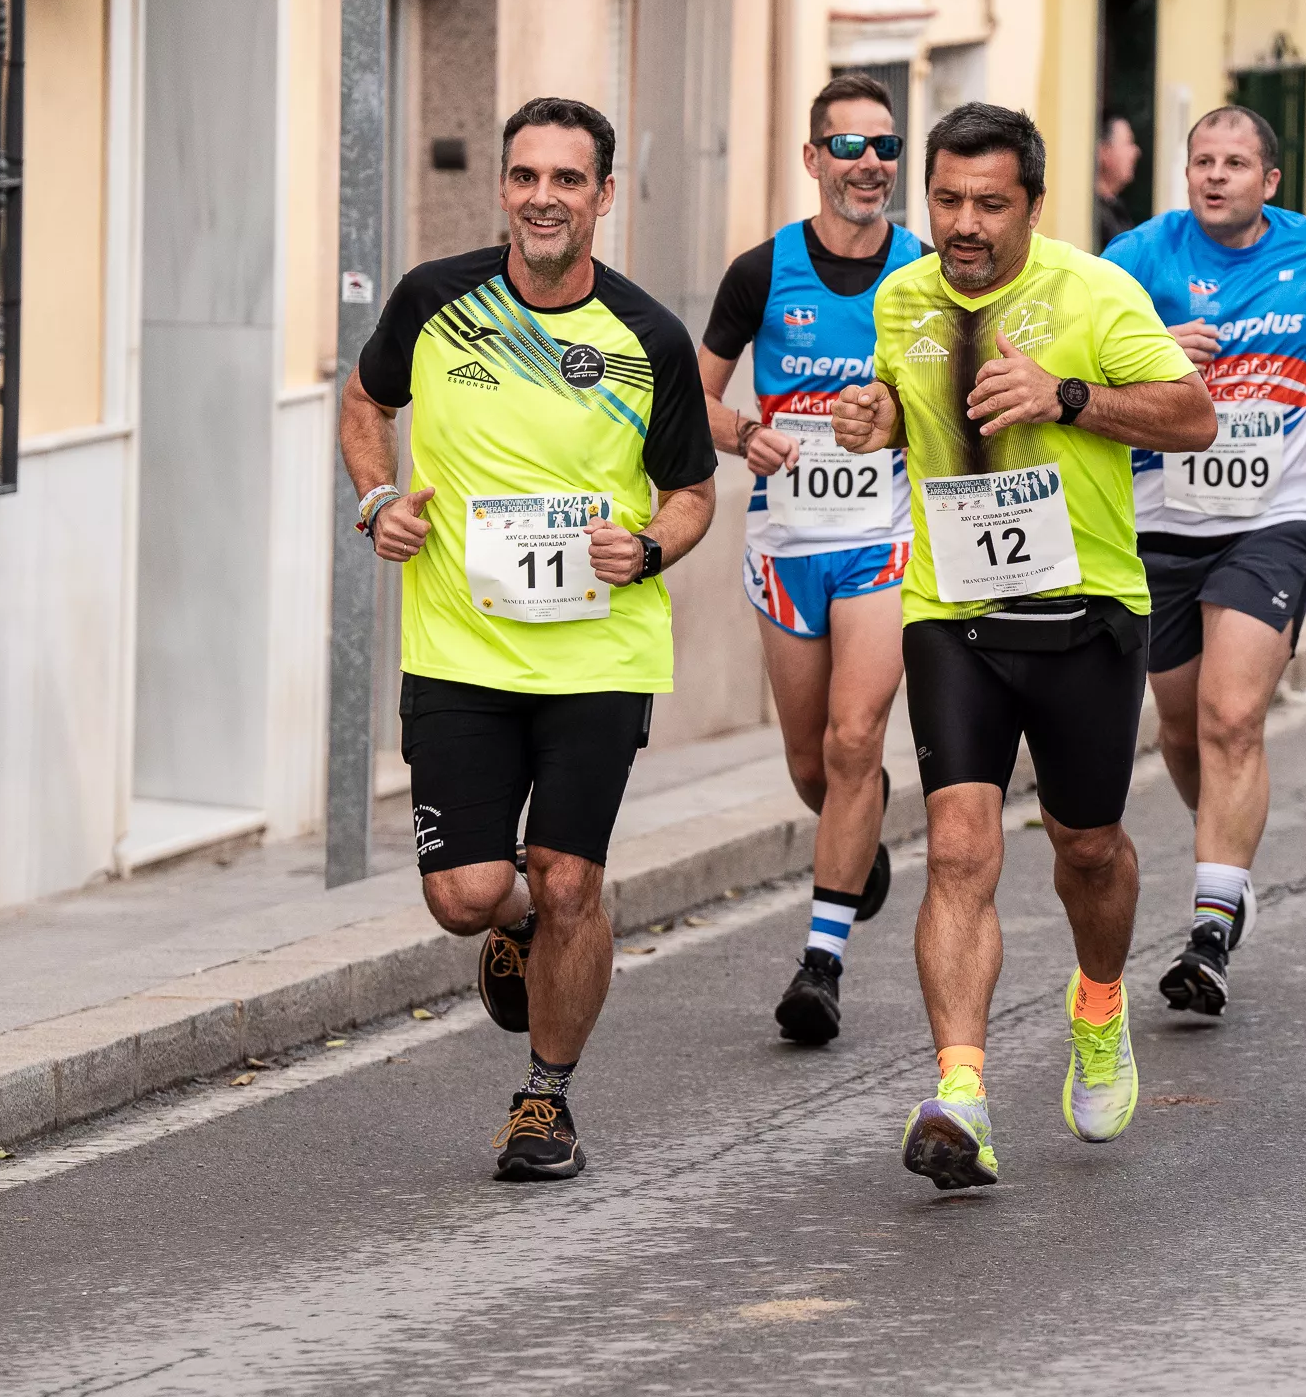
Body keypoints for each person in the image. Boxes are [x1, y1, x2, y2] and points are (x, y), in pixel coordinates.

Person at [828, 103, 1217, 1191]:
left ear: (1034, 205)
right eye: (946, 200)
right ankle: (961, 1092)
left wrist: (1067, 395)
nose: (963, 222)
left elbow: (1193, 417)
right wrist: (877, 421)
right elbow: (912, 409)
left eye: (989, 203)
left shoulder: (1094, 292)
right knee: (958, 847)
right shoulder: (902, 295)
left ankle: (1099, 1000)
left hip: (1085, 607)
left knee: (1086, 846)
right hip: (951, 609)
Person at [340, 97, 720, 1181]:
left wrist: (647, 548)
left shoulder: (648, 336)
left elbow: (692, 490)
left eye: (566, 179)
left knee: (569, 882)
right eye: (524, 176)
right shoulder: (433, 299)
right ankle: (518, 926)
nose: (542, 197)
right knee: (465, 894)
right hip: (459, 645)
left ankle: (544, 1098)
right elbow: (364, 405)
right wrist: (377, 502)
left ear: (604, 195)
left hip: (597, 652)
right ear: (503, 188)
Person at [1103, 105, 1306, 1017]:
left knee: (1234, 716)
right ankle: (1223, 854)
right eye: (1201, 162)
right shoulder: (1138, 259)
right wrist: (1147, 358)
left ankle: (1211, 927)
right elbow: (1063, 351)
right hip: (1158, 522)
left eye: (1235, 163)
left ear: (1269, 181)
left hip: (1275, 517)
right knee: (1185, 731)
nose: (1215, 176)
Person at [698, 73, 928, 1047]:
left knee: (853, 740)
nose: (869, 163)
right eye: (849, 146)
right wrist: (744, 431)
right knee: (809, 760)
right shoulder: (761, 273)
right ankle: (854, 840)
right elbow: (692, 400)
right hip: (786, 540)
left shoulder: (926, 271)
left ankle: (820, 961)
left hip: (884, 537)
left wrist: (904, 418)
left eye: (884, 147)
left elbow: (969, 398)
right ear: (812, 159)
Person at [1091, 114, 1141, 251]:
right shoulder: (1093, 215)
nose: (1136, 151)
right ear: (1104, 151)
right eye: (1128, 143)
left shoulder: (1116, 209)